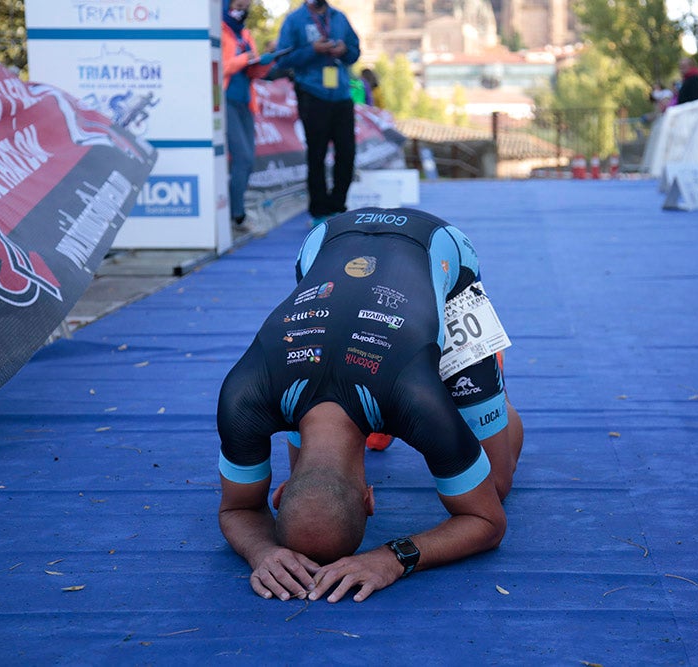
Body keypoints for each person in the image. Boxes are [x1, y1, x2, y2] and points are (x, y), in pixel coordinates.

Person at [216, 207, 524, 604]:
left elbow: (488, 520)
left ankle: (483, 385)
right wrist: (264, 550)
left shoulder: (419, 401)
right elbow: (236, 510)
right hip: (328, 242)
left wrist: (393, 559)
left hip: (434, 244)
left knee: (494, 485)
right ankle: (380, 420)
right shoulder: (243, 397)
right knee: (314, 502)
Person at [275, 0, 360, 226]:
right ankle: (320, 211)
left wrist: (345, 51)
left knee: (347, 152)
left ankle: (338, 205)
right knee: (317, 154)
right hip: (312, 93)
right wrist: (312, 50)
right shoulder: (294, 20)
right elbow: (283, 59)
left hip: (341, 95)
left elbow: (355, 51)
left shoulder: (339, 17)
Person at [222, 0, 274, 227]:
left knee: (248, 160)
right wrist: (246, 58)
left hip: (245, 103)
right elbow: (221, 67)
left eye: (247, 3)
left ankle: (236, 212)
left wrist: (268, 59)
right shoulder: (219, 31)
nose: (243, 7)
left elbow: (254, 72)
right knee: (242, 157)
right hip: (225, 101)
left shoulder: (245, 33)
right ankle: (237, 215)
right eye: (239, 3)